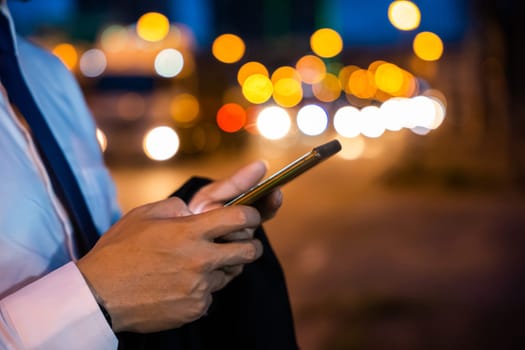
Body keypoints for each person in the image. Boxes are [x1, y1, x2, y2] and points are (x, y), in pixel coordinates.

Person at [0, 1, 294, 349]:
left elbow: (96, 241)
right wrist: (97, 300)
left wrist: (188, 230)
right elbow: (103, 284)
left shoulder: (45, 71)